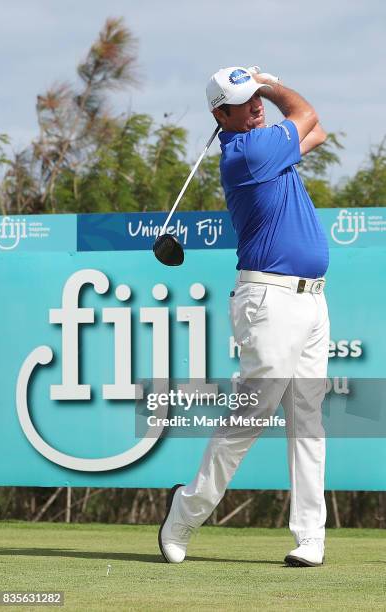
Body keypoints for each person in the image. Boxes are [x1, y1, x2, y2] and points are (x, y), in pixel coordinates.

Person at [158, 66, 330, 567]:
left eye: (258, 96)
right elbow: (309, 117)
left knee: (308, 421)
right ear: (221, 115)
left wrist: (269, 100)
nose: (257, 105)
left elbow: (317, 132)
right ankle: (185, 513)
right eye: (246, 100)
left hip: (313, 299)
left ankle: (309, 535)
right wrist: (274, 84)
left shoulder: (266, 146)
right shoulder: (251, 153)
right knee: (250, 418)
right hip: (268, 301)